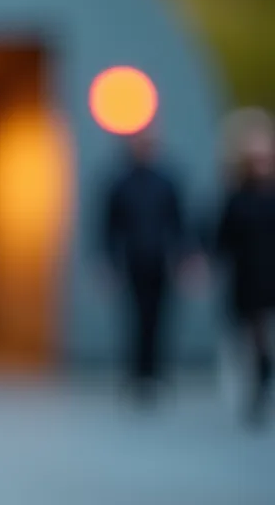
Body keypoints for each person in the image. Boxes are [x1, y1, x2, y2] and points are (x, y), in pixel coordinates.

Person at [100, 129, 189, 406]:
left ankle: (155, 372)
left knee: (159, 319)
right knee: (135, 318)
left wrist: (184, 258)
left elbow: (178, 222)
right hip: (133, 261)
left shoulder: (166, 182)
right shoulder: (121, 183)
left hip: (160, 261)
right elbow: (109, 226)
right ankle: (137, 373)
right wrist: (110, 263)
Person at [213, 121, 275, 429]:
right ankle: (257, 390)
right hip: (248, 279)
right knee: (252, 341)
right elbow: (222, 238)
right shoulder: (237, 197)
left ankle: (262, 383)